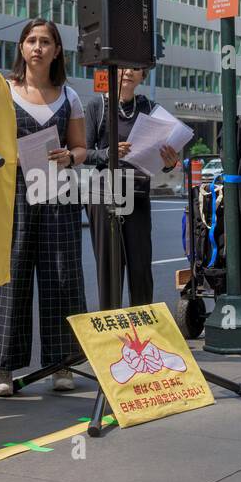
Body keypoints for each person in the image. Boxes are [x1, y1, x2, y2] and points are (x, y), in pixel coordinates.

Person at [0, 19, 87, 396]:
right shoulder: (2, 91)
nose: (37, 47)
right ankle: (2, 370)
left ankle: (63, 365)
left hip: (58, 190)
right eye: (31, 40)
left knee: (62, 276)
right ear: (22, 47)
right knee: (11, 277)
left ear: (57, 51)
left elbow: (81, 147)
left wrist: (70, 157)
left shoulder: (68, 96)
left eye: (45, 41)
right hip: (13, 193)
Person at [83, 67, 180, 308]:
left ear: (143, 76)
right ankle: (110, 326)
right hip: (103, 193)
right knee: (109, 269)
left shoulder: (149, 108)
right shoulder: (97, 106)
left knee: (140, 267)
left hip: (137, 192)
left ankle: (144, 330)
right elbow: (84, 152)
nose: (128, 72)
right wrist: (109, 153)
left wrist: (169, 164)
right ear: (112, 70)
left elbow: (163, 156)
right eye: (123, 67)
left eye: (135, 69)